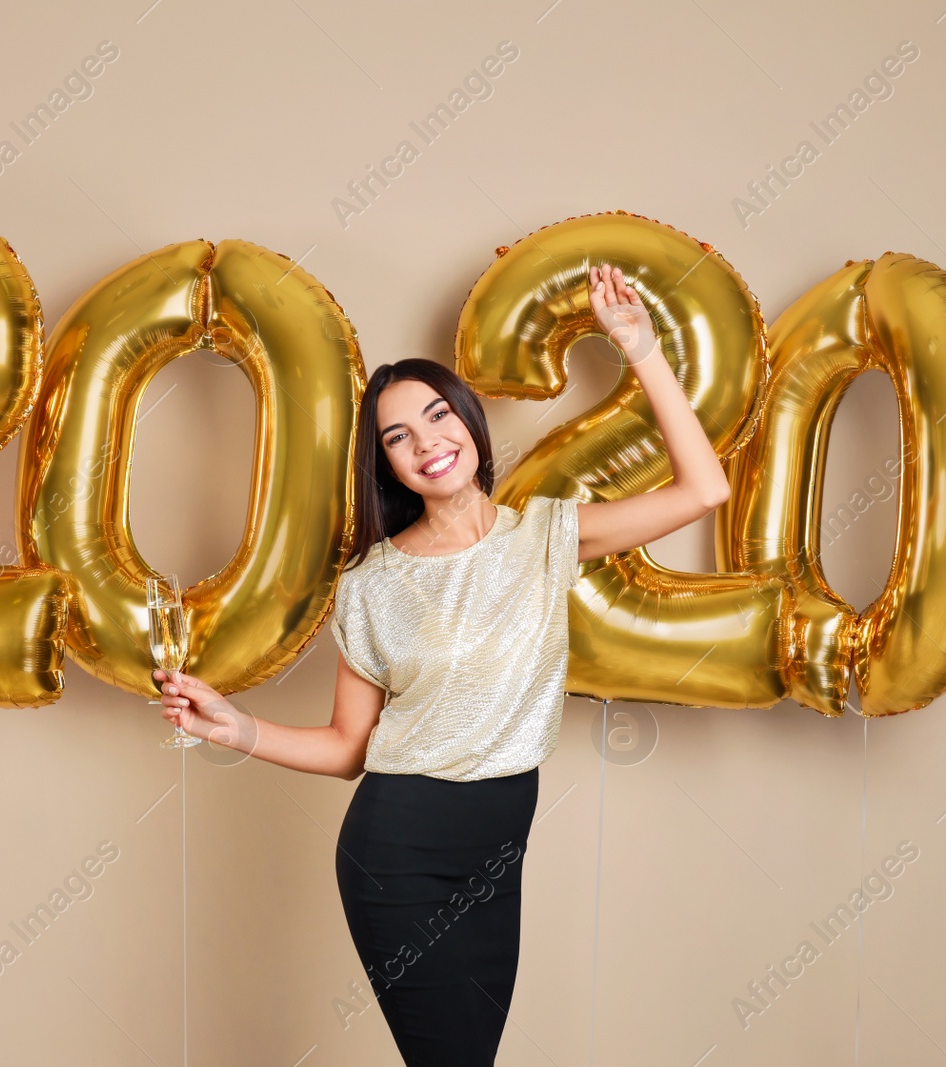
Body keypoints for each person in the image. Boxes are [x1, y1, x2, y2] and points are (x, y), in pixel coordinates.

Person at [152, 264, 731, 1065]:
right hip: (398, 853)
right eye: (398, 436)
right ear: (385, 462)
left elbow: (705, 488)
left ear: (468, 421)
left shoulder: (546, 536)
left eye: (436, 416)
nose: (427, 443)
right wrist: (238, 726)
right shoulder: (370, 584)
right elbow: (351, 748)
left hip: (497, 850)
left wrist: (642, 350)